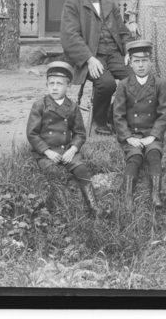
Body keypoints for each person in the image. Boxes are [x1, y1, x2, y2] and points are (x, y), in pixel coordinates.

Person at [26, 61, 107, 219]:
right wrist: (48, 152)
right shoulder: (39, 105)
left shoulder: (73, 107)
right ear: (47, 85)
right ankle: (64, 210)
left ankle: (94, 208)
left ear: (68, 86)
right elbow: (32, 134)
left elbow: (80, 133)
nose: (55, 88)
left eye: (59, 84)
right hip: (46, 152)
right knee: (54, 173)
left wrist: (72, 150)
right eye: (51, 84)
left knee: (82, 171)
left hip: (66, 149)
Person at [59, 0, 134, 135]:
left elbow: (124, 33)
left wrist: (129, 51)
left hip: (114, 54)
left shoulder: (110, 5)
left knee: (137, 79)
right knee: (107, 84)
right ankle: (99, 122)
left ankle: (112, 115)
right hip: (91, 56)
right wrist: (89, 59)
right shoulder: (72, 5)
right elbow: (70, 36)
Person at [112, 39, 166, 209]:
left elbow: (164, 113)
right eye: (136, 61)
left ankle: (156, 196)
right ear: (130, 63)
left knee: (154, 155)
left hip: (151, 132)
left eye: (144, 60)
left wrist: (153, 136)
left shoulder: (159, 84)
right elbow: (118, 115)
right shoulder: (124, 85)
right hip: (132, 133)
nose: (140, 65)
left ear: (151, 62)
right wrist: (128, 137)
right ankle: (128, 197)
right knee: (134, 157)